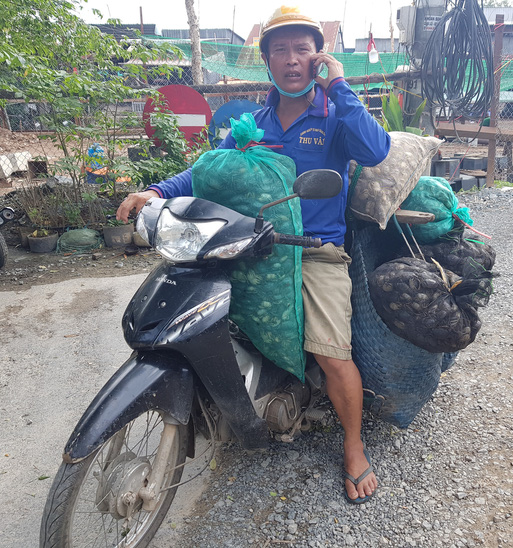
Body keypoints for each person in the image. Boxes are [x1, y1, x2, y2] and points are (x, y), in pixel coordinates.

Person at [117, 6, 391, 504]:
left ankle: (353, 445)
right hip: (248, 244)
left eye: (303, 49)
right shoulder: (251, 123)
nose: (292, 60)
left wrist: (340, 88)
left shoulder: (334, 116)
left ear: (317, 57)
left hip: (313, 253)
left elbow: (375, 152)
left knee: (333, 355)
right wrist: (156, 191)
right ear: (266, 61)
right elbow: (209, 171)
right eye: (281, 50)